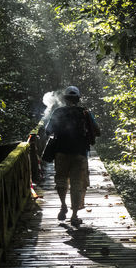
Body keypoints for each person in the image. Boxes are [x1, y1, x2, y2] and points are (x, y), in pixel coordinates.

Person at [45, 86, 100, 226]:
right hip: (80, 153)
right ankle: (74, 215)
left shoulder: (58, 112)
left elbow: (48, 130)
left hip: (61, 152)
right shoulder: (85, 113)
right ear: (78, 98)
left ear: (64, 98)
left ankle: (63, 205)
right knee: (77, 184)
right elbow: (97, 131)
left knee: (61, 180)